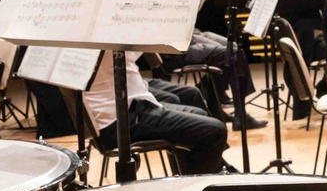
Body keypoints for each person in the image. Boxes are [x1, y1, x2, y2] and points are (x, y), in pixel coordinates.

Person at [82, 56, 229, 177]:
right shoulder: (102, 37)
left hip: (122, 109)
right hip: (118, 121)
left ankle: (187, 178)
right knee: (215, 131)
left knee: (198, 114)